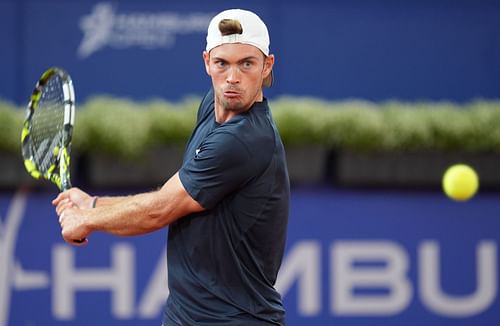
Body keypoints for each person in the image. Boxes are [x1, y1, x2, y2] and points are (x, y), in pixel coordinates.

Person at [53, 8, 290, 325]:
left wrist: (88, 220)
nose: (232, 77)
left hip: (233, 319)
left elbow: (159, 210)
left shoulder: (243, 140)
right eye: (222, 63)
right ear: (207, 62)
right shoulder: (214, 105)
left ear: (266, 66)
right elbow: (173, 194)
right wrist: (94, 204)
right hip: (187, 316)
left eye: (246, 63)